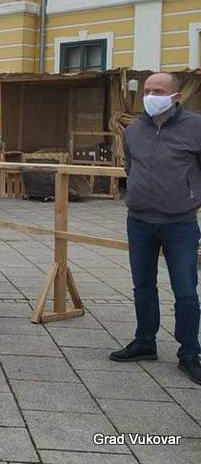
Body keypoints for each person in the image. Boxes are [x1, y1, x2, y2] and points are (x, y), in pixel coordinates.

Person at [110, 72, 201, 384]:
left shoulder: (195, 127)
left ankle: (189, 352)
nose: (150, 96)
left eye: (158, 91)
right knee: (143, 285)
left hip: (180, 222)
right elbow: (130, 166)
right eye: (147, 91)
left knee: (185, 290)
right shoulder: (134, 130)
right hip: (139, 221)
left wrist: (192, 197)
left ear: (176, 97)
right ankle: (145, 341)